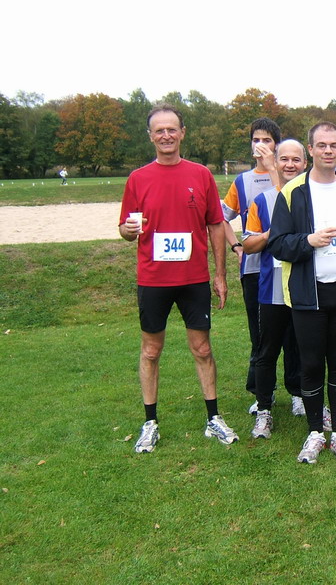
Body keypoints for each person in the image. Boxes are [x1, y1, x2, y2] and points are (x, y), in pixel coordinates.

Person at [119, 104, 238, 453]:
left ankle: (213, 418)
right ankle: (150, 422)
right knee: (151, 350)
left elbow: (216, 224)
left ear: (182, 133)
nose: (166, 135)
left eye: (172, 129)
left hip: (193, 279)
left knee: (202, 348)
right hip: (153, 279)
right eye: (159, 130)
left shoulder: (200, 174)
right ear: (151, 136)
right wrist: (126, 231)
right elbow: (127, 230)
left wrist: (219, 274)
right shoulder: (137, 178)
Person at [266, 121, 336, 464]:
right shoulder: (292, 192)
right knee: (311, 364)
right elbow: (277, 243)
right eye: (321, 145)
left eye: (333, 145)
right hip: (307, 294)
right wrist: (308, 241)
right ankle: (314, 431)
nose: (328, 150)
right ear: (311, 150)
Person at [242, 139, 308, 439]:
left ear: (304, 163)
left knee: (303, 347)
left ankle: (299, 394)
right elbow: (248, 243)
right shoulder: (263, 200)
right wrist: (274, 233)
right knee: (267, 351)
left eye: (296, 159)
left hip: (304, 286)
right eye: (285, 159)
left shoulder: (312, 198)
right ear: (276, 163)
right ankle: (264, 407)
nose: (290, 165)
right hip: (271, 289)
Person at [220, 118, 282, 413]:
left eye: (267, 140)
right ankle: (261, 394)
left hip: (286, 266)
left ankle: (297, 390)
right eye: (257, 139)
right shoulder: (241, 181)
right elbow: (219, 217)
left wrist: (274, 169)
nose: (261, 145)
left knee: (292, 335)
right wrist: (235, 246)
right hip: (255, 267)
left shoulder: (287, 174)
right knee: (260, 336)